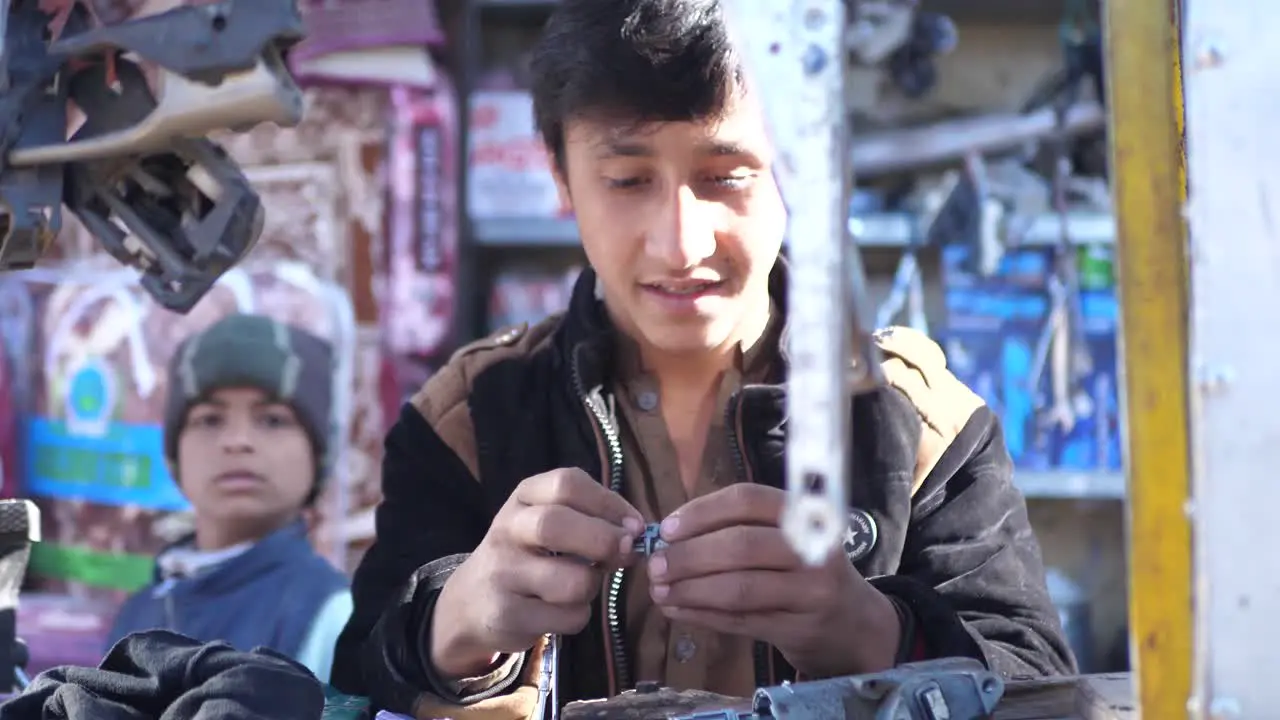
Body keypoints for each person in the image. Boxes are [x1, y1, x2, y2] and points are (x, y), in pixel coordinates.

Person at [331, 0, 1076, 715]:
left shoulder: (919, 425)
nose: (680, 245)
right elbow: (350, 687)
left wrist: (870, 632)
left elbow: (1042, 690)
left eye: (726, 176)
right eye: (627, 180)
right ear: (560, 177)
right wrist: (455, 628)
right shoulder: (465, 418)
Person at [105, 314, 351, 683]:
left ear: (317, 453)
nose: (237, 441)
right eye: (209, 420)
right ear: (175, 451)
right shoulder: (143, 609)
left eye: (272, 420)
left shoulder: (329, 612)